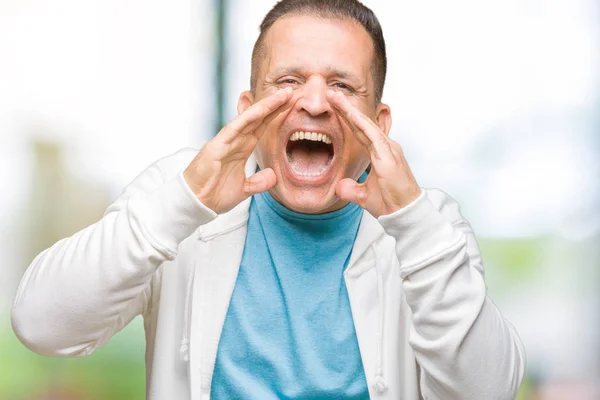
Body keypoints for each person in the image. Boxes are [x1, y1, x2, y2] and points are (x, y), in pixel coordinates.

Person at [11, 0, 525, 399]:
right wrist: (183, 203)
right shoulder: (179, 193)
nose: (316, 102)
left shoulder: (429, 224)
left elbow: (488, 390)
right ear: (248, 110)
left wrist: (412, 225)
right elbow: (42, 325)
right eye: (289, 81)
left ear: (380, 124)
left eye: (343, 86)